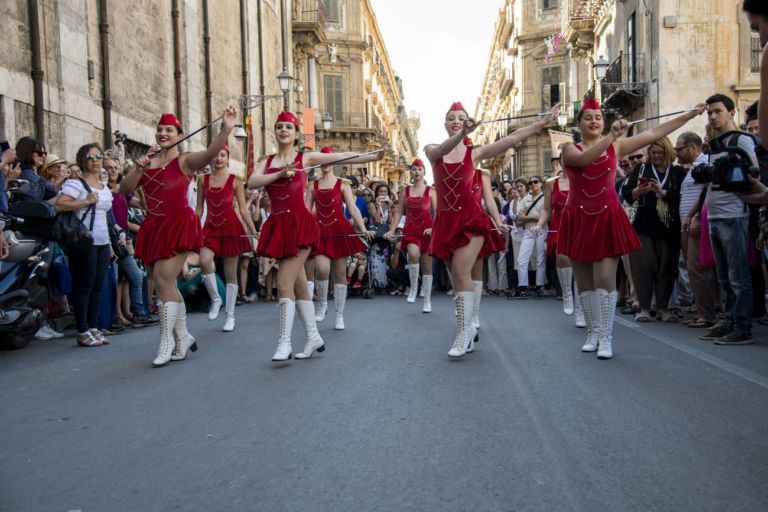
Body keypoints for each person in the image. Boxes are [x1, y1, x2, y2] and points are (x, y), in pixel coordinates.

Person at [559, 98, 704, 359]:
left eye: (598, 117)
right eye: (588, 117)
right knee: (585, 282)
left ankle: (605, 337)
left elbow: (655, 132)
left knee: (604, 278)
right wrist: (611, 136)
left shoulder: (617, 144)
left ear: (603, 122)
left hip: (607, 217)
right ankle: (592, 332)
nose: (594, 121)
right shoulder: (569, 149)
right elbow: (583, 161)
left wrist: (689, 114)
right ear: (579, 123)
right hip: (578, 218)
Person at [247, 111, 384, 361]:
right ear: (275, 131)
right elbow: (252, 182)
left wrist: (375, 155)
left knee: (285, 284)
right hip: (279, 226)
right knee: (299, 286)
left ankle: (284, 343)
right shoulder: (266, 162)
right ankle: (313, 337)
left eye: (289, 127)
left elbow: (341, 156)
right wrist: (279, 174)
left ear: (297, 134)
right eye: (279, 126)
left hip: (300, 225)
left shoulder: (305, 158)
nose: (284, 130)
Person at [425, 101, 557, 358]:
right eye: (451, 118)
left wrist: (541, 123)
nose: (456, 121)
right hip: (445, 221)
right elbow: (443, 148)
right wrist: (463, 134)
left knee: (463, 271)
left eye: (461, 118)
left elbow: (512, 138)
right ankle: (468, 327)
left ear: (467, 122)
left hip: (471, 220)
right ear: (444, 123)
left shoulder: (474, 153)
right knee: (457, 277)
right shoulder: (433, 150)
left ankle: (464, 333)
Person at [120, 109, 235, 367]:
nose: (163, 133)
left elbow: (208, 154)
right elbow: (124, 191)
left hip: (179, 224)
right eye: (160, 129)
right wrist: (138, 170)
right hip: (154, 226)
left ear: (179, 136)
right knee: (164, 284)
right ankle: (182, 337)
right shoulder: (146, 161)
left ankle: (166, 342)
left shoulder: (184, 161)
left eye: (169, 130)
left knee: (163, 278)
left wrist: (226, 130)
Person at [622, 136, 686, 323]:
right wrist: (639, 191)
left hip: (669, 228)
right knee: (643, 267)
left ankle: (663, 308)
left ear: (668, 152)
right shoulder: (642, 169)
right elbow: (627, 194)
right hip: (644, 226)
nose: (656, 155)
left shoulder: (677, 172)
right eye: (653, 152)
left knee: (667, 268)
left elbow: (681, 196)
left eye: (660, 152)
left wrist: (662, 192)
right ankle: (643, 308)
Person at [307, 146, 372, 330]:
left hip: (339, 230)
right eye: (322, 159)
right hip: (320, 230)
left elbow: (352, 208)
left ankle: (339, 314)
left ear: (334, 161)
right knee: (321, 269)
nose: (325, 163)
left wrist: (363, 228)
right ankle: (322, 305)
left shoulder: (343, 184)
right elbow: (306, 211)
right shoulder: (312, 186)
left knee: (339, 274)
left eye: (329, 159)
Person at [55, 144, 114, 346]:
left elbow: (105, 215)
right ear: (83, 160)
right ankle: (82, 330)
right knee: (84, 286)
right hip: (84, 241)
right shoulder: (76, 184)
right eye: (90, 157)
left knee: (98, 286)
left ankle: (94, 327)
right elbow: (60, 204)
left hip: (103, 241)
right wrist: (85, 201)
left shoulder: (104, 186)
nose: (95, 160)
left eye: (99, 156)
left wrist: (112, 243)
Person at [196, 145, 257, 332]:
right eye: (215, 155)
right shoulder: (202, 180)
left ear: (228, 158)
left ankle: (230, 315)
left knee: (231, 273)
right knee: (205, 260)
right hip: (211, 227)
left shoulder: (235, 181)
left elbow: (244, 209)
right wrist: (190, 227)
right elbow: (199, 209)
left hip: (230, 227)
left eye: (222, 155)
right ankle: (216, 299)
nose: (218, 158)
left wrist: (254, 232)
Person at [531, 165, 586, 326]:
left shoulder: (584, 179)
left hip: (580, 225)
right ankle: (567, 294)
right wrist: (540, 225)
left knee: (582, 269)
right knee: (562, 259)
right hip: (560, 225)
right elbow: (546, 209)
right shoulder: (551, 183)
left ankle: (581, 310)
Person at [678, 132, 719, 329]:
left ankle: (708, 314)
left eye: (680, 149)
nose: (676, 153)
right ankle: (703, 310)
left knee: (697, 268)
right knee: (694, 269)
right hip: (689, 226)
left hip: (697, 224)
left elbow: (705, 193)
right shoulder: (693, 167)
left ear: (692, 148)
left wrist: (694, 217)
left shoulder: (704, 164)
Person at [385, 158, 436, 312]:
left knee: (427, 267)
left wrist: (434, 228)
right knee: (413, 254)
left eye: (419, 169)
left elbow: (439, 213)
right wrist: (392, 230)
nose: (416, 172)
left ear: (424, 172)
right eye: (414, 169)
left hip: (427, 230)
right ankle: (413, 288)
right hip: (411, 229)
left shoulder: (431, 191)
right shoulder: (405, 191)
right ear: (411, 173)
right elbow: (399, 212)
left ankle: (427, 300)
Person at [514, 175, 547, 298]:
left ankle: (539, 286)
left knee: (540, 259)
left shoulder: (545, 198)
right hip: (528, 231)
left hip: (541, 230)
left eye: (535, 182)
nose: (533, 184)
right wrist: (535, 217)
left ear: (540, 184)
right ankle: (523, 287)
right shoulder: (526, 199)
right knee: (521, 259)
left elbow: (547, 216)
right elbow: (520, 217)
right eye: (531, 182)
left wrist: (531, 218)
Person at [13, 137, 57, 203]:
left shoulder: (32, 174)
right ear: (28, 153)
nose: (44, 156)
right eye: (40, 153)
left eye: (45, 153)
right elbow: (33, 202)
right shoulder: (27, 174)